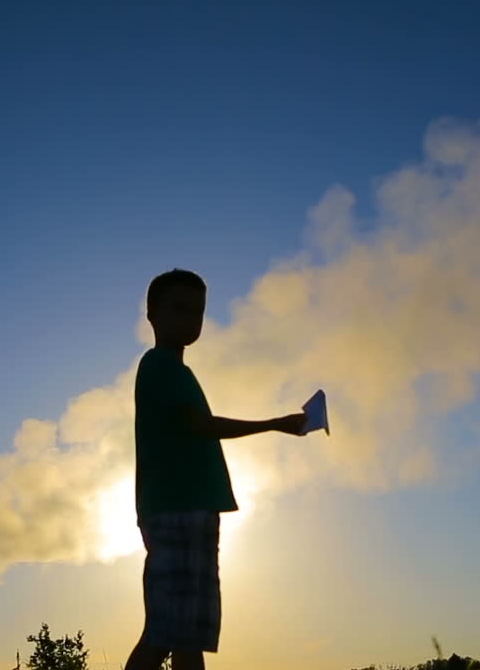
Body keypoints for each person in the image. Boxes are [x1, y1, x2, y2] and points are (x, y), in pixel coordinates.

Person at [123, 268, 306, 670]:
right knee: (164, 632)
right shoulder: (158, 366)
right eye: (178, 309)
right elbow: (198, 426)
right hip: (176, 511)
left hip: (193, 511)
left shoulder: (177, 371)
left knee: (187, 634)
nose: (189, 319)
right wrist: (275, 423)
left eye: (197, 312)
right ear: (152, 314)